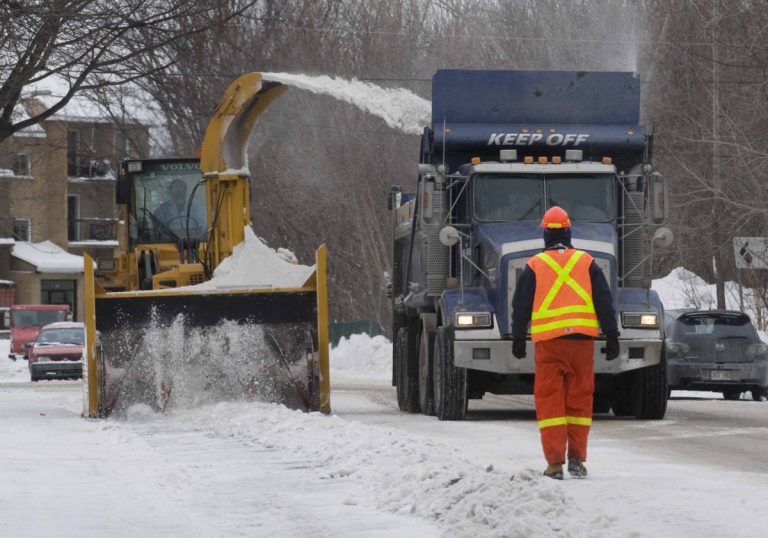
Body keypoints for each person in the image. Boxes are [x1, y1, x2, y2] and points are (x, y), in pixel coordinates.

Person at [511, 206, 620, 480]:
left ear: (545, 233)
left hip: (549, 343)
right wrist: (612, 334)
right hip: (582, 343)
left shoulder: (536, 264)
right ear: (569, 231)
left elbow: (520, 305)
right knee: (580, 401)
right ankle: (577, 461)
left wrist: (517, 337)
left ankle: (555, 465)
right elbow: (604, 300)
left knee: (550, 403)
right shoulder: (586, 261)